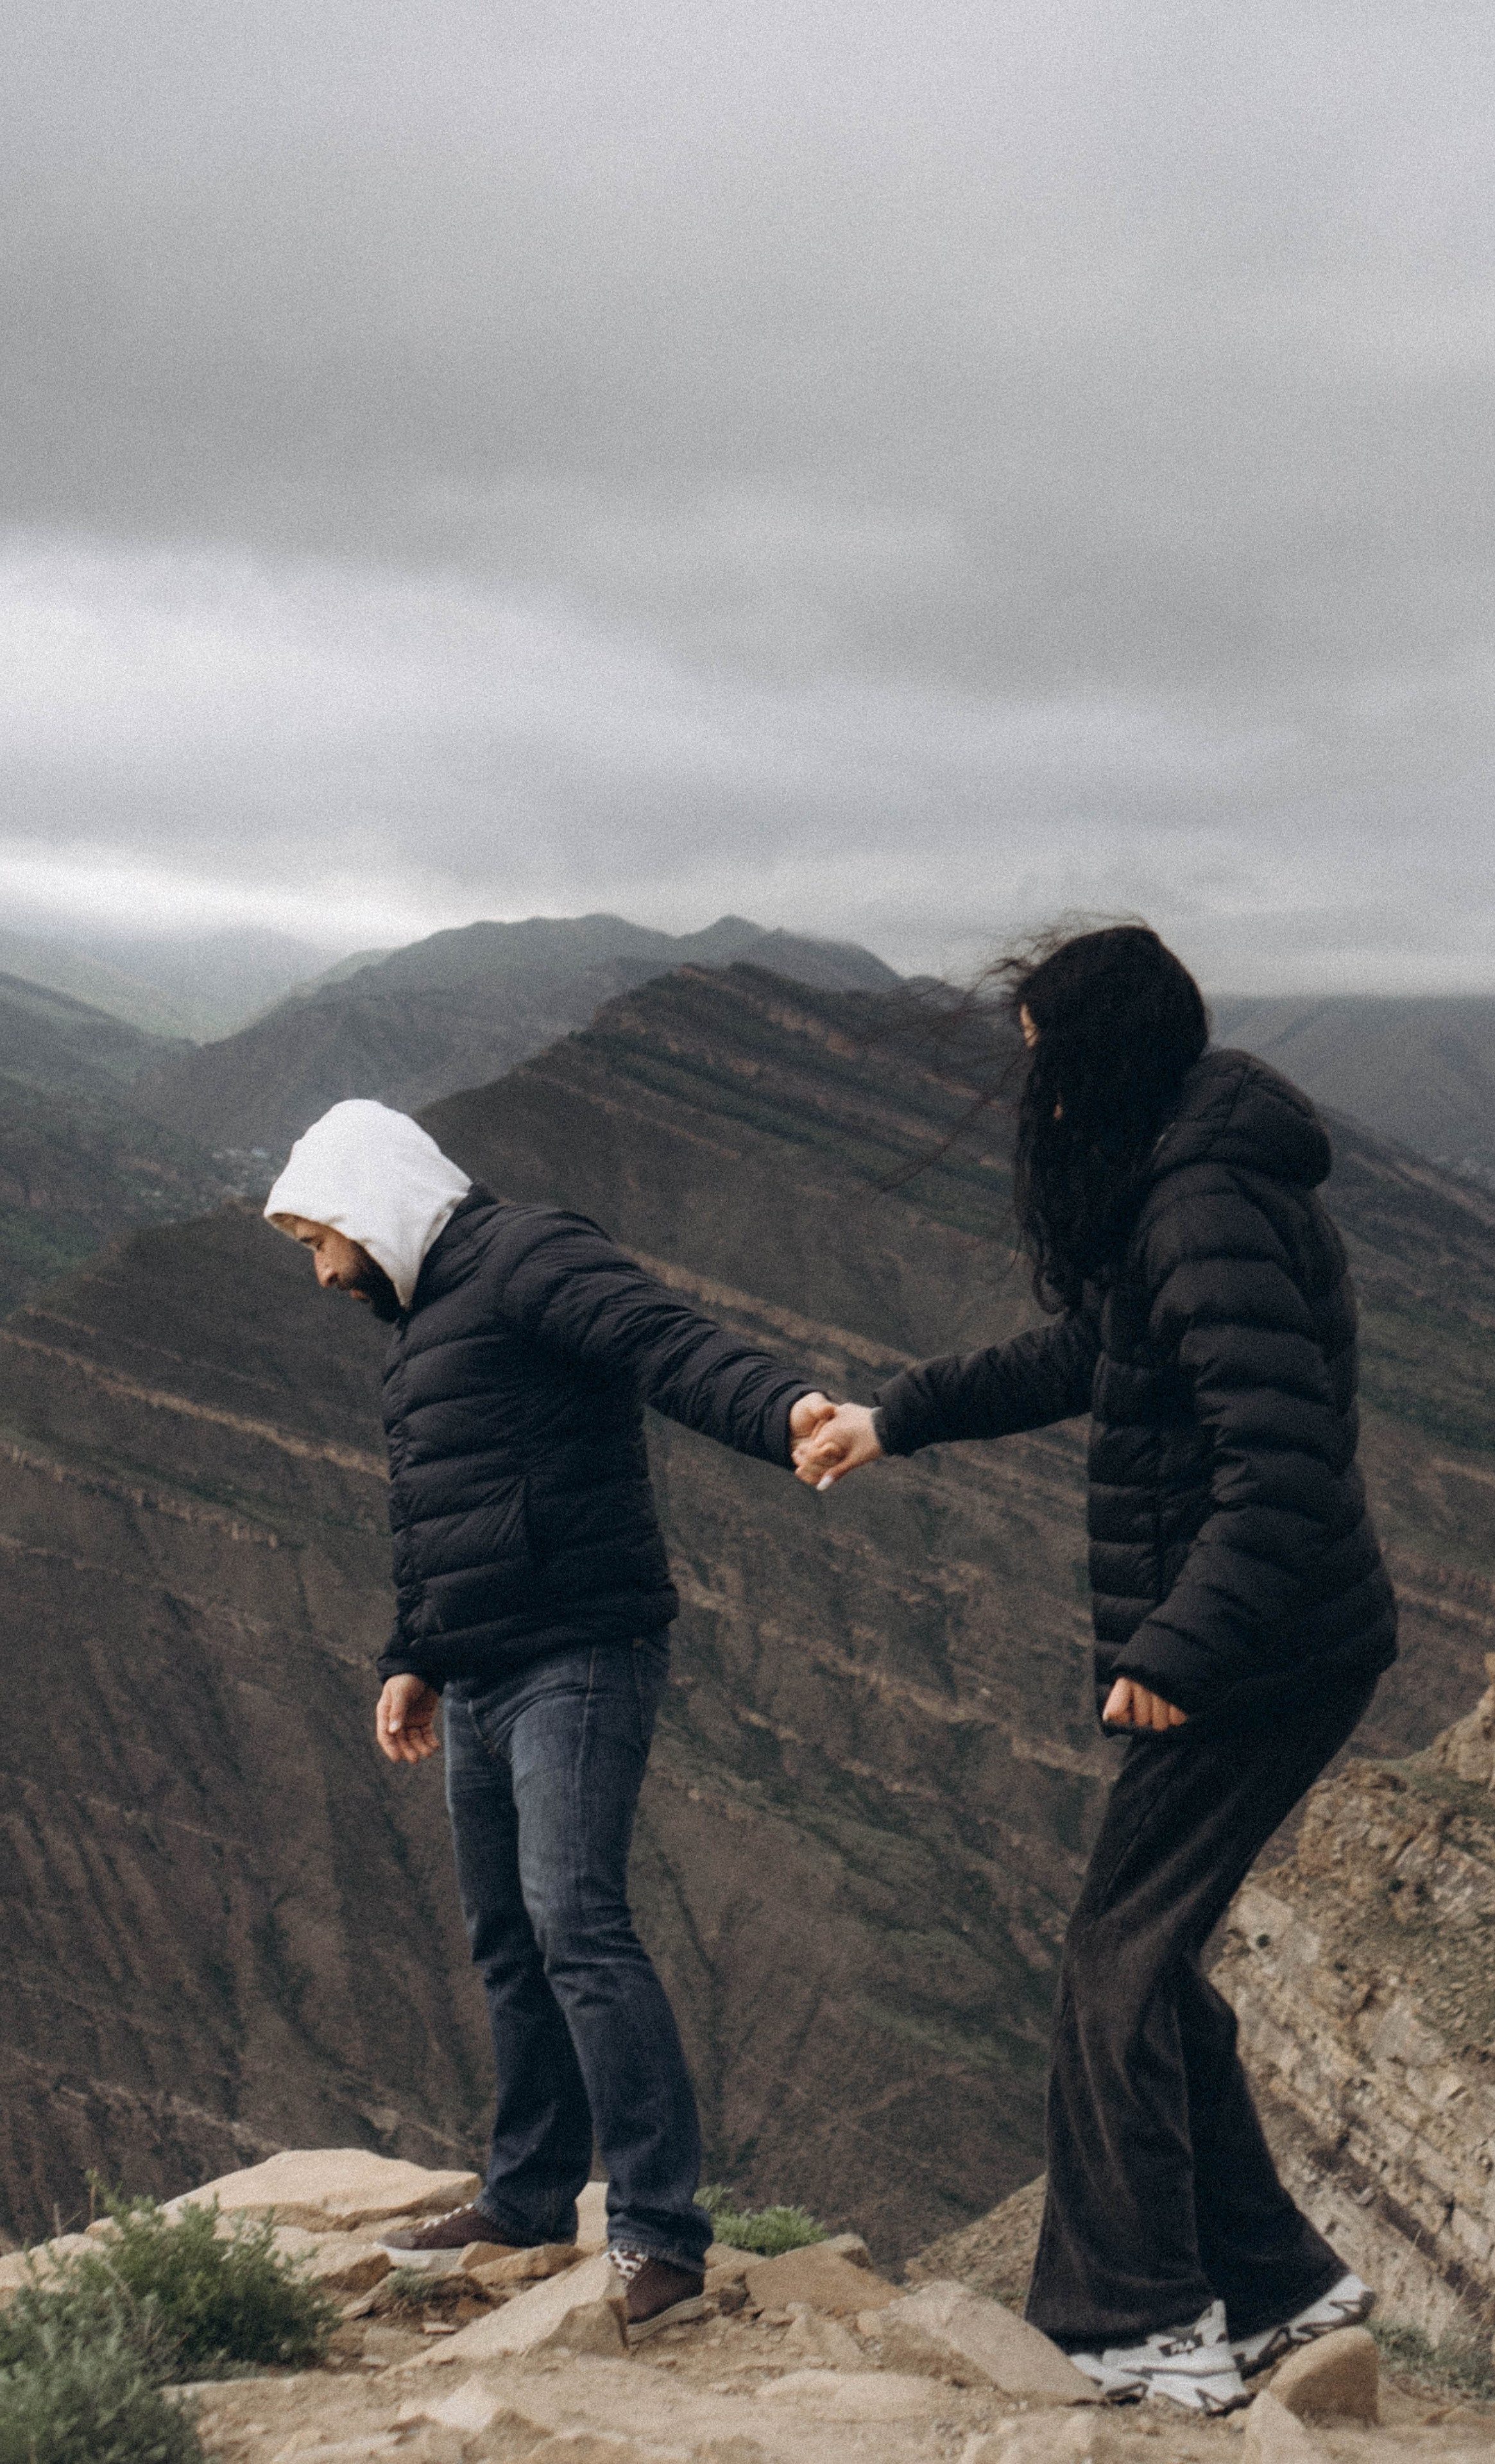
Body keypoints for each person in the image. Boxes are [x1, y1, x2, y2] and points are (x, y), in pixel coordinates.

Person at [794, 925, 1397, 2413]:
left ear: (1097, 1063)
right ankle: (1276, 2293)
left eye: (1043, 1068)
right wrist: (896, 1418)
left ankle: (1138, 2322)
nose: (1034, 1102)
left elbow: (1283, 1472)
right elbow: (1094, 1360)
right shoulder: (1182, 1188)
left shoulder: (1199, 1204)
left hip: (1260, 1650)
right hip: (1265, 1637)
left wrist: (1176, 1646)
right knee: (1149, 1966)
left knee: (1111, 1974)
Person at [264, 1099, 834, 2343]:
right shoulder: (421, 1323)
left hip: (581, 1651)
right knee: (508, 1941)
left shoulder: (524, 1254)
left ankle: (657, 2234)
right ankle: (524, 2200)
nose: (319, 1273)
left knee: (577, 1923)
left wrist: (779, 1408)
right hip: (477, 1671)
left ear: (371, 1207)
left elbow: (665, 1343)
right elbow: (440, 1520)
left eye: (321, 1240)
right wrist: (412, 1655)